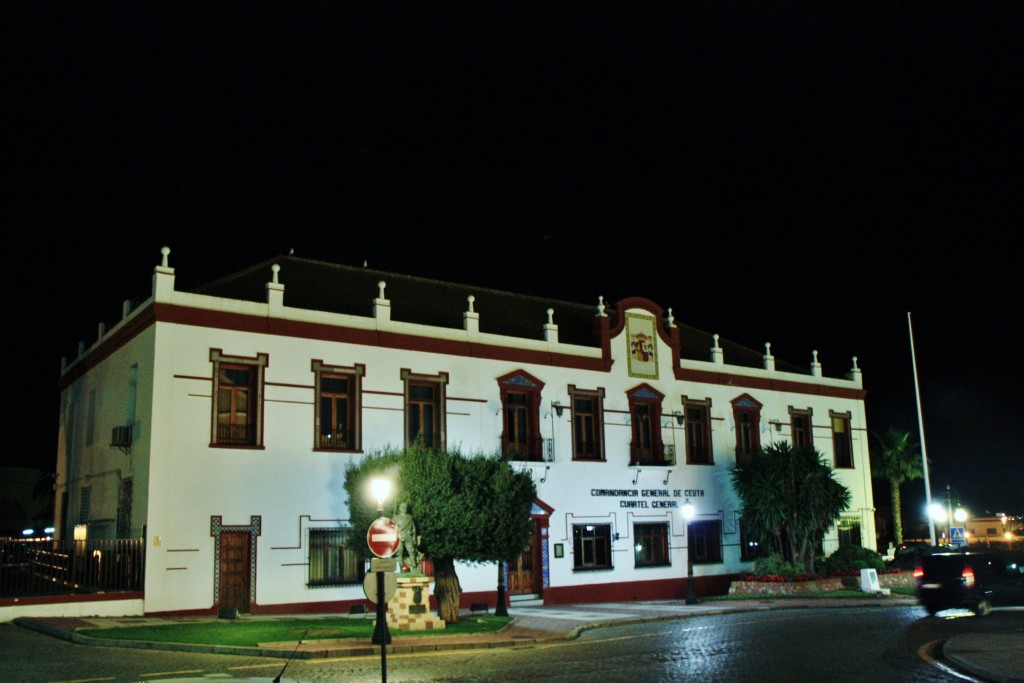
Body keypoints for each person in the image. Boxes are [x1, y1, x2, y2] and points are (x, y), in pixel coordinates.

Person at [394, 502, 419, 572]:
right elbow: (392, 528)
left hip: (408, 536)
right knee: (399, 553)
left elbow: (414, 528)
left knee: (412, 552)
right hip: (399, 537)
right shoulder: (395, 518)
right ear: (399, 508)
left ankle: (414, 568)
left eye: (405, 507)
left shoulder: (409, 517)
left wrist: (414, 537)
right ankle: (401, 569)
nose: (404, 509)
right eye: (403, 507)